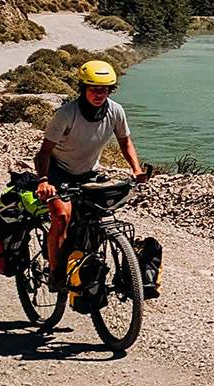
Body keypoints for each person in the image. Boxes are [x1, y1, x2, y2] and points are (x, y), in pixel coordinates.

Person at [35, 60, 147, 290]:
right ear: (83, 88)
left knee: (98, 215)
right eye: (94, 89)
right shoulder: (66, 115)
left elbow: (125, 143)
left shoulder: (115, 111)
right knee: (62, 216)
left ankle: (84, 263)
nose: (99, 94)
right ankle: (55, 274)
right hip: (59, 171)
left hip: (89, 172)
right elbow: (44, 152)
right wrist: (44, 181)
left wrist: (136, 169)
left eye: (104, 89)